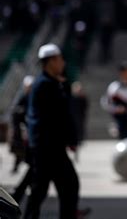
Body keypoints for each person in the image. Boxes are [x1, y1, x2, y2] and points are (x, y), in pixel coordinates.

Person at [23, 44, 86, 219]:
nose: (63, 63)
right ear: (50, 62)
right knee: (66, 186)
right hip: (48, 147)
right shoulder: (45, 85)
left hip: (48, 146)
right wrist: (71, 139)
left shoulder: (50, 83)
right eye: (59, 59)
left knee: (42, 189)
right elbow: (59, 117)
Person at [10, 76, 34, 204]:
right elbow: (16, 114)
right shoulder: (23, 98)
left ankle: (18, 194)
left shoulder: (34, 98)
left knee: (34, 170)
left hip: (33, 137)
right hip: (27, 137)